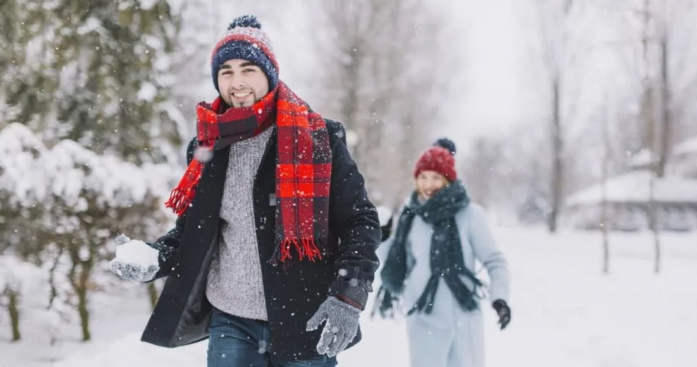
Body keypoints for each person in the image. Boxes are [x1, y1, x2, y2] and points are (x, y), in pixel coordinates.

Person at [108, 15, 380, 367]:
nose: (237, 82)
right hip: (231, 319)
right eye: (226, 71)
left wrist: (349, 296)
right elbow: (194, 231)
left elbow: (361, 222)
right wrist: (153, 258)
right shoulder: (208, 144)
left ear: (269, 73)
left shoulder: (319, 137)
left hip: (305, 318)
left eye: (248, 69)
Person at [375, 138, 511, 367]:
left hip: (463, 318)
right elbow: (395, 266)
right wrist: (384, 238)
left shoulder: (470, 215)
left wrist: (500, 298)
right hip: (422, 318)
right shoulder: (410, 217)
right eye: (423, 177)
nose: (428, 184)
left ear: (448, 180)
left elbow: (494, 260)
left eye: (436, 177)